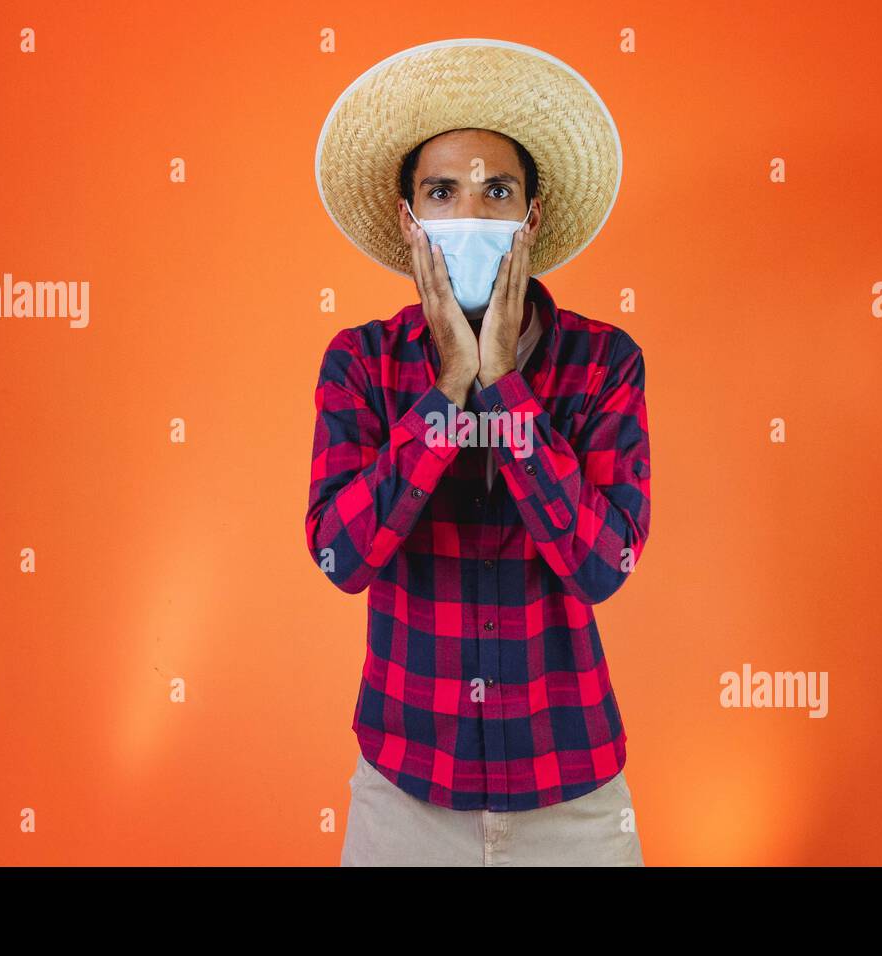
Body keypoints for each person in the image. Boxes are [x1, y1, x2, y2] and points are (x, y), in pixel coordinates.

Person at [308, 38, 651, 866]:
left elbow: (603, 565)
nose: (469, 215)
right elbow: (340, 555)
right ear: (408, 218)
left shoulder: (605, 362)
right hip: (404, 794)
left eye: (496, 191)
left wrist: (503, 384)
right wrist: (449, 387)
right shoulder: (359, 363)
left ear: (530, 218)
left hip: (571, 796)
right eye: (442, 192)